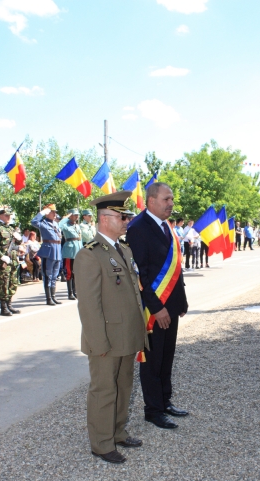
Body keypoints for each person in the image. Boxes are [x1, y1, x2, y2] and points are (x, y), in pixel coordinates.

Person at [74, 191, 148, 464]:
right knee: (104, 389)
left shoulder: (123, 249)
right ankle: (101, 443)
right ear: (105, 219)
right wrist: (98, 341)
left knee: (124, 386)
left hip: (127, 333)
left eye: (126, 216)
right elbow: (89, 306)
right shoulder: (89, 255)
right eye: (122, 216)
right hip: (105, 336)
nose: (127, 221)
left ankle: (117, 431)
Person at [126, 182, 189, 429]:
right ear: (151, 201)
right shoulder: (138, 228)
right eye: (166, 199)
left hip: (171, 307)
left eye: (172, 199)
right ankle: (152, 410)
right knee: (152, 361)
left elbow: (176, 267)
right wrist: (157, 308)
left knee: (166, 357)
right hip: (153, 310)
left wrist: (180, 301)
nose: (171, 204)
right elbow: (140, 275)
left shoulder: (167, 226)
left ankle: (165, 401)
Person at [0, 208, 22, 316]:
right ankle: (3, 307)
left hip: (13, 260)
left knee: (12, 283)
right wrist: (2, 256)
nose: (8, 217)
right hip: (3, 261)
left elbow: (18, 242)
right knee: (3, 284)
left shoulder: (11, 228)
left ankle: (9, 304)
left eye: (9, 215)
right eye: (6, 215)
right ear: (0, 215)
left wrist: (19, 238)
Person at [31, 203, 62, 306]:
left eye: (55, 212)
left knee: (54, 276)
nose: (54, 214)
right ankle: (48, 298)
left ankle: (53, 296)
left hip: (57, 252)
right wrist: (42, 213)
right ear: (48, 213)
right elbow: (34, 222)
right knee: (48, 276)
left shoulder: (55, 224)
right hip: (48, 253)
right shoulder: (43, 223)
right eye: (52, 212)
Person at [59, 209, 82, 300]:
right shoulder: (65, 225)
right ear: (70, 215)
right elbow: (59, 225)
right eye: (74, 215)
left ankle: (75, 291)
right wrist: (66, 217)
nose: (76, 216)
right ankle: (70, 293)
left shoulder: (77, 226)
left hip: (78, 249)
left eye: (77, 215)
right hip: (69, 251)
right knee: (69, 272)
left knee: (76, 272)